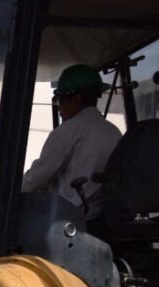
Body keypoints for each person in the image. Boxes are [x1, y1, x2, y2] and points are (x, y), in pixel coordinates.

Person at [22, 64, 122, 221]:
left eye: (61, 100)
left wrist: (6, 193)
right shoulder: (114, 131)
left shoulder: (69, 130)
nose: (59, 109)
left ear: (76, 99)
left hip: (75, 222)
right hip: (104, 219)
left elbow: (37, 177)